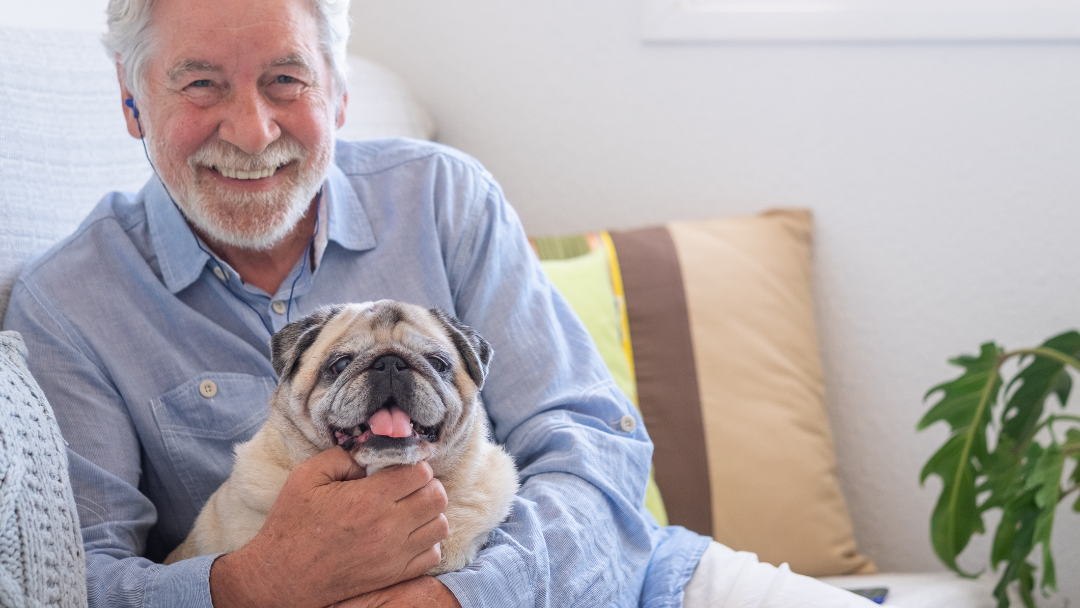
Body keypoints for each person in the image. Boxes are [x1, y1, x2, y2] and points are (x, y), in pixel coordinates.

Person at [3, 0, 882, 606]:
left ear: (338, 93)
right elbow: (65, 579)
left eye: (286, 81)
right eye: (200, 85)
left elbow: (591, 442)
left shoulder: (443, 200)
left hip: (617, 582)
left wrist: (459, 598)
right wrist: (250, 586)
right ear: (130, 99)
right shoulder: (71, 306)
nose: (253, 130)